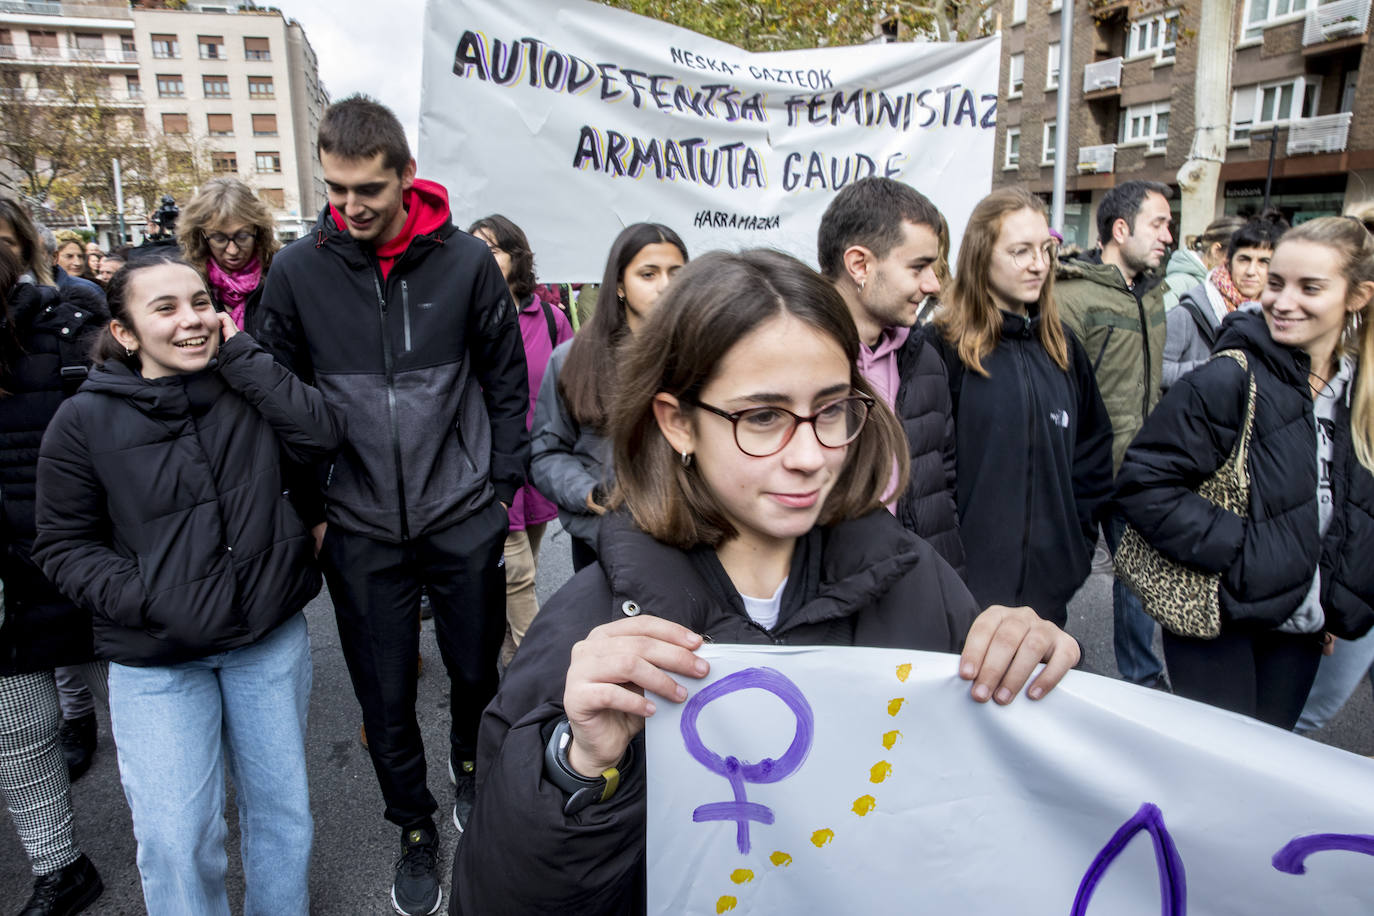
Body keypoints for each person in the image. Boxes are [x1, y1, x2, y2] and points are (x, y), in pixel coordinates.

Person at [449, 248, 1081, 914]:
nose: (809, 456)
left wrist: (1034, 672)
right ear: (677, 422)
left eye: (831, 409)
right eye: (762, 417)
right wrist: (578, 767)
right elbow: (494, 895)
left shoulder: (916, 580)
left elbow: (1005, 823)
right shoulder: (591, 632)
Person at [255, 95, 529, 916]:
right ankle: (413, 825)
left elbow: (506, 382)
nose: (351, 206)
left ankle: (469, 764)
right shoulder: (296, 271)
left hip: (462, 514)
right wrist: (312, 508)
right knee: (384, 696)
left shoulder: (467, 262)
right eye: (336, 189)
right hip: (358, 525)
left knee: (475, 670)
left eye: (368, 188)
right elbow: (279, 397)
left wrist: (499, 490)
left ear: (408, 175)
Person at [32, 254, 340, 915]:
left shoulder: (245, 382)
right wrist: (148, 598)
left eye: (201, 302)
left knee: (281, 813)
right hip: (157, 658)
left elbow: (320, 434)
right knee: (175, 837)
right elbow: (62, 545)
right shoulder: (82, 422)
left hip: (266, 641)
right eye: (165, 308)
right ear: (124, 332)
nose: (191, 320)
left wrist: (244, 355)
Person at [1115, 217, 1374, 728]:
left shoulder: (1358, 396)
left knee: (1266, 762)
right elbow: (1145, 482)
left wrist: (1330, 591)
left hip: (1298, 630)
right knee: (1217, 764)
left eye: (1310, 288)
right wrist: (1250, 554)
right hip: (1219, 616)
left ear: (1358, 296)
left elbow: (1350, 509)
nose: (1282, 301)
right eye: (1276, 283)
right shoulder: (1229, 376)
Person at [930, 187, 1113, 624]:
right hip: (960, 600)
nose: (1039, 264)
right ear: (980, 256)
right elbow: (926, 477)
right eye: (1020, 251)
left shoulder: (1064, 348)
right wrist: (947, 569)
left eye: (1045, 249)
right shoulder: (942, 348)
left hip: (1046, 602)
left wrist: (1074, 550)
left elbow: (1092, 455)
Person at [0, 242, 105, 916]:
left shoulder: (66, 330)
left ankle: (178, 843)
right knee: (19, 735)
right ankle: (58, 866)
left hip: (87, 569)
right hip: (6, 586)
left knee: (153, 723)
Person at [1056, 180, 1172, 691]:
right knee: (1061, 570)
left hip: (1138, 465)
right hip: (1080, 467)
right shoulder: (1072, 297)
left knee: (1139, 576)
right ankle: (1046, 657)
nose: (1168, 236)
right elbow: (1057, 387)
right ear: (1120, 229)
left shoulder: (1154, 294)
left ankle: (1142, 681)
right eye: (1158, 224)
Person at [816, 177, 963, 570]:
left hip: (920, 585)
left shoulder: (925, 361)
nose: (933, 284)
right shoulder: (795, 361)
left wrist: (946, 582)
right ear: (860, 265)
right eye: (918, 267)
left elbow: (942, 485)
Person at [531, 223, 686, 572]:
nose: (665, 285)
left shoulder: (705, 358)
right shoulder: (574, 360)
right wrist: (591, 493)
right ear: (619, 285)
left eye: (676, 273)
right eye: (648, 274)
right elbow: (546, 453)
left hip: (688, 539)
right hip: (604, 541)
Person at [468, 214, 574, 664]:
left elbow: (571, 389)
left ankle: (508, 656)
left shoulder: (550, 318)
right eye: (474, 248)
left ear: (516, 256)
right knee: (519, 574)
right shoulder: (464, 316)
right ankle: (538, 669)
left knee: (520, 563)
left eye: (491, 249)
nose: (481, 257)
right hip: (490, 463)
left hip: (539, 463)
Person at [1164, 213, 1286, 391]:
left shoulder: (1279, 316)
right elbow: (1157, 372)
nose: (1251, 271)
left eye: (1263, 262)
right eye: (1244, 259)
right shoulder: (1188, 312)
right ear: (1229, 263)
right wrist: (1216, 369)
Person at [177, 177, 281, 333]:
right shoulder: (187, 282)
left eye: (242, 237)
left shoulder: (279, 276)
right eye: (219, 239)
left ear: (258, 231)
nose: (232, 250)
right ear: (201, 236)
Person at [1160, 215, 1243, 311]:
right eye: (1241, 259)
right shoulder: (1176, 286)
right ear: (1216, 250)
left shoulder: (1228, 290)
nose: (1249, 269)